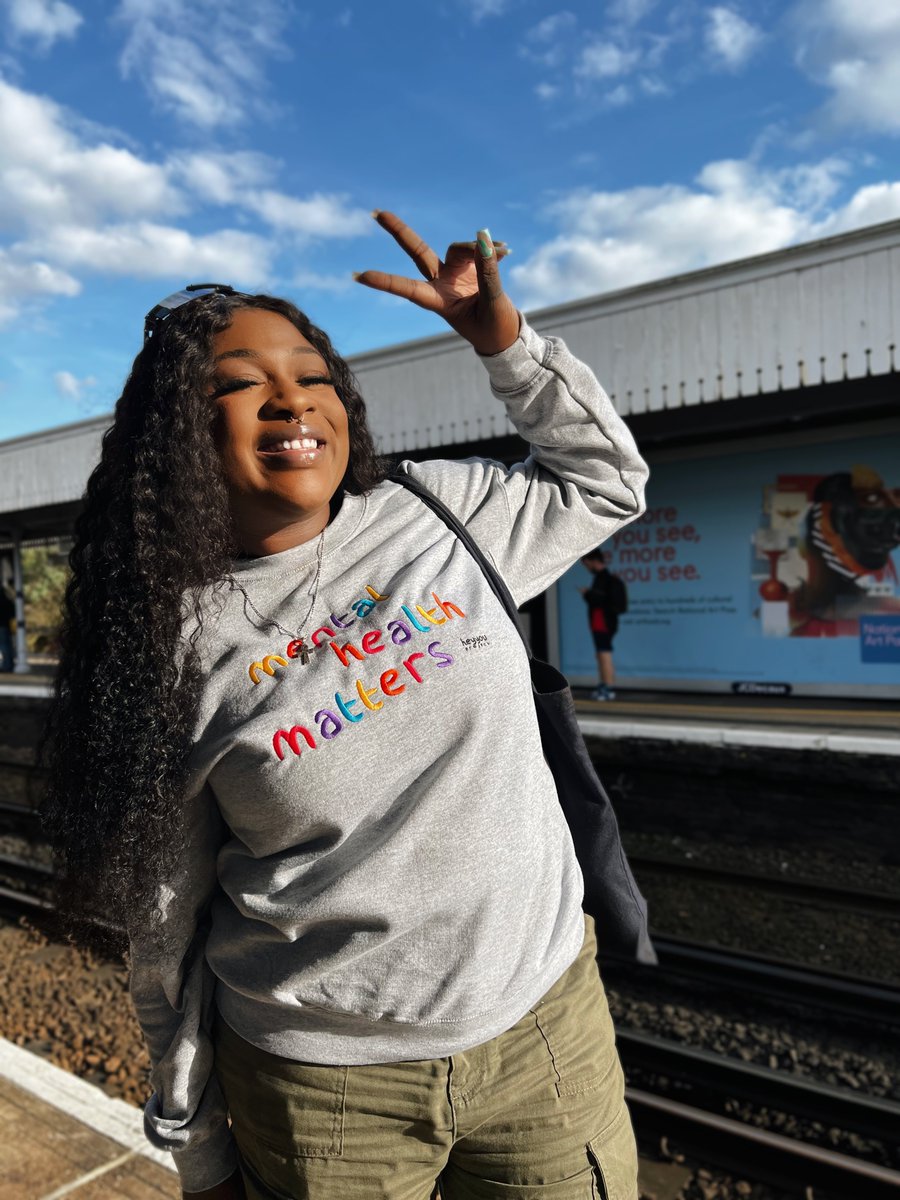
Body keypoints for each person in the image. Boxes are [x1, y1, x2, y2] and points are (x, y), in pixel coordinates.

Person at [42, 213, 649, 1200]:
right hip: (325, 1093)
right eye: (240, 386)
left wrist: (506, 345)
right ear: (183, 438)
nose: (292, 400)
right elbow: (165, 926)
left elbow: (609, 481)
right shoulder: (172, 644)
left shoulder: (437, 516)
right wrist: (197, 1148)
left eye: (313, 375)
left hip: (547, 1035)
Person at [580, 549, 627, 701]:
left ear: (593, 561)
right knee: (602, 654)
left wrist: (587, 594)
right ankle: (605, 685)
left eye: (586, 564)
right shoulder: (607, 578)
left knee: (604, 654)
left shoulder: (601, 578)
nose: (586, 568)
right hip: (604, 621)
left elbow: (598, 600)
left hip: (601, 621)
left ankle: (608, 688)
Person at [0, 581, 14, 672]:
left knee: (4, 646)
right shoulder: (7, 601)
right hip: (6, 625)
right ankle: (8, 664)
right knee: (7, 646)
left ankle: (7, 666)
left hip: (1, 625)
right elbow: (12, 612)